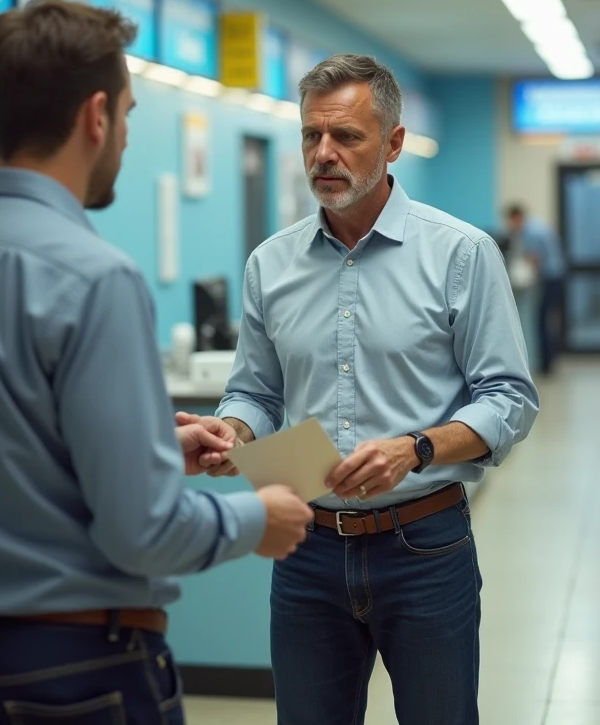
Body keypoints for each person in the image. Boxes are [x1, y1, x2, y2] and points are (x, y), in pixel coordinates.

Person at [0, 0, 313, 725]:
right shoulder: (97, 279)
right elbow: (143, 532)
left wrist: (152, 452)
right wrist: (259, 518)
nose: (125, 135)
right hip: (79, 677)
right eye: (127, 113)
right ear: (97, 116)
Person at [206, 54, 539, 725]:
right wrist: (234, 430)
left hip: (423, 546)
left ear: (392, 143)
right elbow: (255, 392)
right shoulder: (270, 264)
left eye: (347, 137)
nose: (324, 154)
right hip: (307, 548)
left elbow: (508, 396)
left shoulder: (461, 254)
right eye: (311, 136)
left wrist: (413, 448)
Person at [507, 204, 565, 375]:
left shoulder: (530, 232)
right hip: (557, 275)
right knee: (549, 318)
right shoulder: (538, 225)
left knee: (542, 319)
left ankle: (546, 363)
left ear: (517, 217)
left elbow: (534, 259)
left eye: (511, 222)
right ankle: (549, 360)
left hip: (549, 278)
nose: (511, 226)